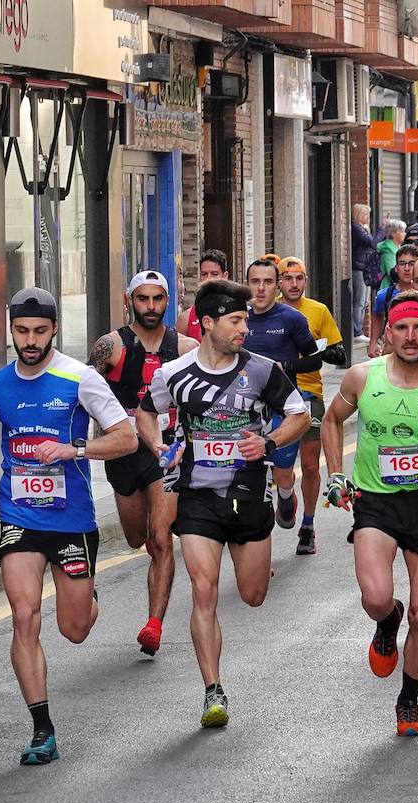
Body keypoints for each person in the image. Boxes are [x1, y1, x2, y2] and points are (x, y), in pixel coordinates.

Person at [0, 287, 135, 763]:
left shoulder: (79, 378)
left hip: (72, 520)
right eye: (22, 331)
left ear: (54, 329)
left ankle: (87, 595)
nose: (31, 340)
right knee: (24, 616)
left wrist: (74, 450)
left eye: (40, 331)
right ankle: (42, 729)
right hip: (18, 516)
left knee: (75, 629)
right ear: (11, 330)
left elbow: (125, 437)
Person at [140, 280, 310, 728]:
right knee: (204, 590)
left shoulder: (262, 370)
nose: (244, 329)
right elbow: (144, 410)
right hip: (197, 497)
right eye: (236, 321)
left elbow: (301, 414)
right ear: (208, 323)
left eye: (247, 321)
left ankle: (282, 510)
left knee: (253, 595)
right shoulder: (173, 374)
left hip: (250, 495)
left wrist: (269, 442)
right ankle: (212, 689)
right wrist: (159, 445)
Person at [321, 292, 418, 736]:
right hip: (376, 502)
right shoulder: (361, 377)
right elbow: (330, 421)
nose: (411, 337)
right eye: (402, 328)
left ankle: (408, 700)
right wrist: (336, 476)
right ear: (388, 332)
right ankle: (387, 619)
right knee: (376, 598)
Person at [88, 270, 197, 656]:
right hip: (123, 454)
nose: (150, 307)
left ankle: (154, 625)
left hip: (165, 452)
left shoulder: (185, 347)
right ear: (129, 300)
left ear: (169, 301)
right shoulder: (110, 346)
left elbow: (201, 397)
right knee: (136, 538)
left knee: (161, 538)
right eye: (143, 299)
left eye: (158, 299)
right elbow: (83, 394)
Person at [243, 258, 324, 528]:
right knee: (251, 478)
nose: (261, 289)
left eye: (267, 282)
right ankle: (258, 542)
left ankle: (286, 492)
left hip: (283, 408)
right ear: (247, 285)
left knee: (283, 473)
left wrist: (285, 366)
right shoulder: (237, 319)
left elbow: (315, 359)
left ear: (276, 285)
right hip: (245, 409)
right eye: (255, 282)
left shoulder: (292, 319)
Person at [278, 256, 347, 554]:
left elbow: (339, 354)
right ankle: (283, 494)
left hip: (308, 394)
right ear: (279, 281)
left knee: (308, 464)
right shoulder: (268, 311)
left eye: (300, 278)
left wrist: (314, 354)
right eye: (288, 278)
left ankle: (308, 525)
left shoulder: (318, 311)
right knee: (279, 467)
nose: (294, 284)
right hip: (274, 395)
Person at [370, 244, 418, 357]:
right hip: (391, 352)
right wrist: (373, 342)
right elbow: (377, 315)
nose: (407, 268)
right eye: (402, 264)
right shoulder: (385, 295)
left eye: (412, 264)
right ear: (396, 267)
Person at [179, 250, 229, 341]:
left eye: (214, 274)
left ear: (225, 276)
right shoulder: (186, 318)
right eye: (204, 274)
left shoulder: (237, 313)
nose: (208, 278)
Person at [352, 204, 380, 336]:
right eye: (365, 215)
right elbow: (372, 243)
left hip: (364, 267)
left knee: (364, 301)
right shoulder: (356, 228)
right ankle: (356, 331)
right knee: (359, 300)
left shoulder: (362, 228)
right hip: (358, 267)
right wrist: (382, 230)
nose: (368, 218)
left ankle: (359, 329)